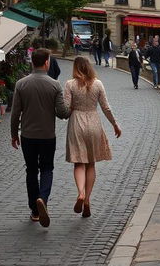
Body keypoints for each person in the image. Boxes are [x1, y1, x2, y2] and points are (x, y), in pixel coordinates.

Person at [11, 48, 70, 227]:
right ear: (46, 62)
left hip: (28, 135)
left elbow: (15, 113)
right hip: (47, 136)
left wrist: (14, 134)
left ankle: (35, 211)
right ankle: (42, 199)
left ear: (32, 62)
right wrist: (72, 106)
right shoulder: (54, 85)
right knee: (46, 169)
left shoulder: (21, 84)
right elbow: (62, 113)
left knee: (31, 170)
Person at [64, 57, 122, 218]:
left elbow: (66, 108)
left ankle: (80, 193)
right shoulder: (98, 84)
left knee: (79, 163)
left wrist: (69, 110)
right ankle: (87, 200)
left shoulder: (70, 84)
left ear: (75, 68)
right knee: (91, 164)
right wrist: (115, 124)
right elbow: (106, 107)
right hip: (94, 123)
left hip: (77, 122)